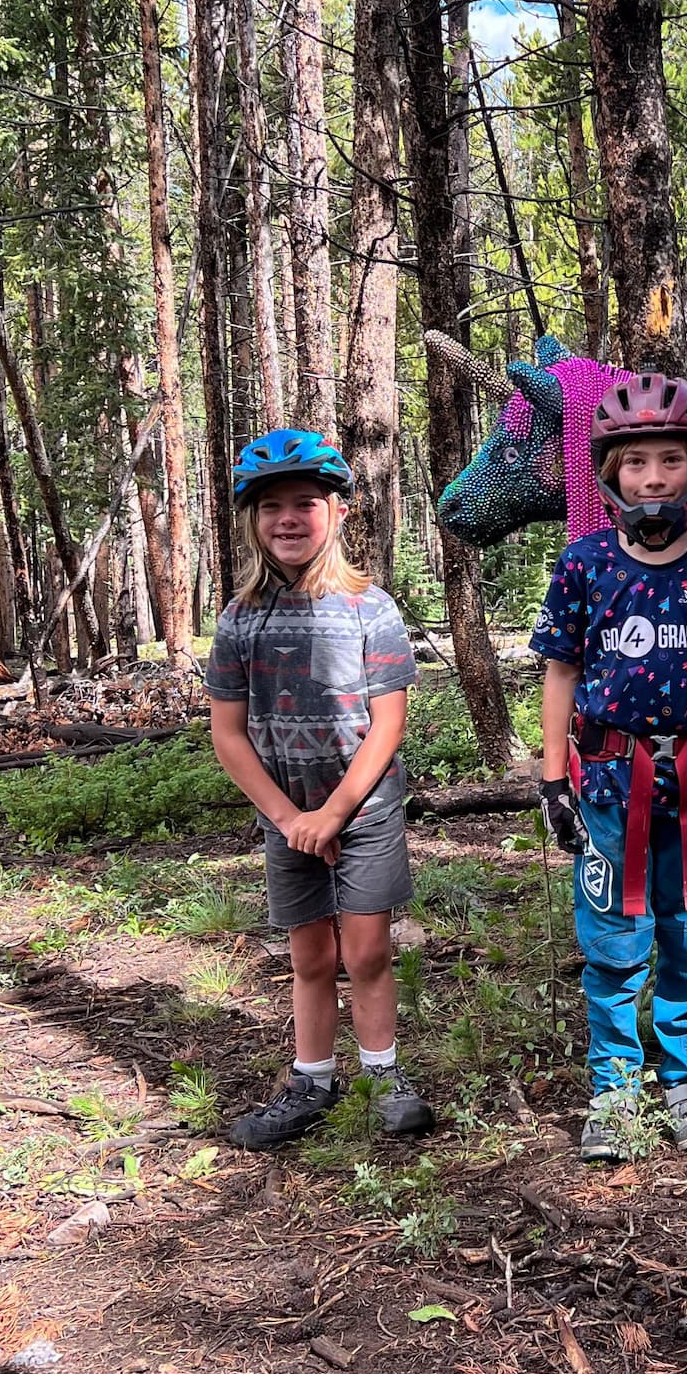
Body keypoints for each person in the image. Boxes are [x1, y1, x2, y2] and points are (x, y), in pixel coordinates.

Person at [533, 377, 687, 1162]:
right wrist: (552, 776)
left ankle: (686, 1080)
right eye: (636, 462)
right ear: (609, 473)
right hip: (607, 781)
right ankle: (613, 1087)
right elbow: (561, 669)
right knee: (613, 932)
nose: (654, 476)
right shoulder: (584, 564)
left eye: (671, 458)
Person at [206, 430, 433, 1149]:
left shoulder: (372, 609)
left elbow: (387, 724)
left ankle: (383, 1073)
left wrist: (334, 813)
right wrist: (290, 817)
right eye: (271, 505)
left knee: (365, 950)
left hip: (362, 811)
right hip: (288, 813)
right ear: (252, 520)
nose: (289, 518)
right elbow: (229, 734)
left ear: (337, 511)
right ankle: (312, 1080)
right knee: (309, 955)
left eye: (305, 502)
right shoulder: (240, 620)